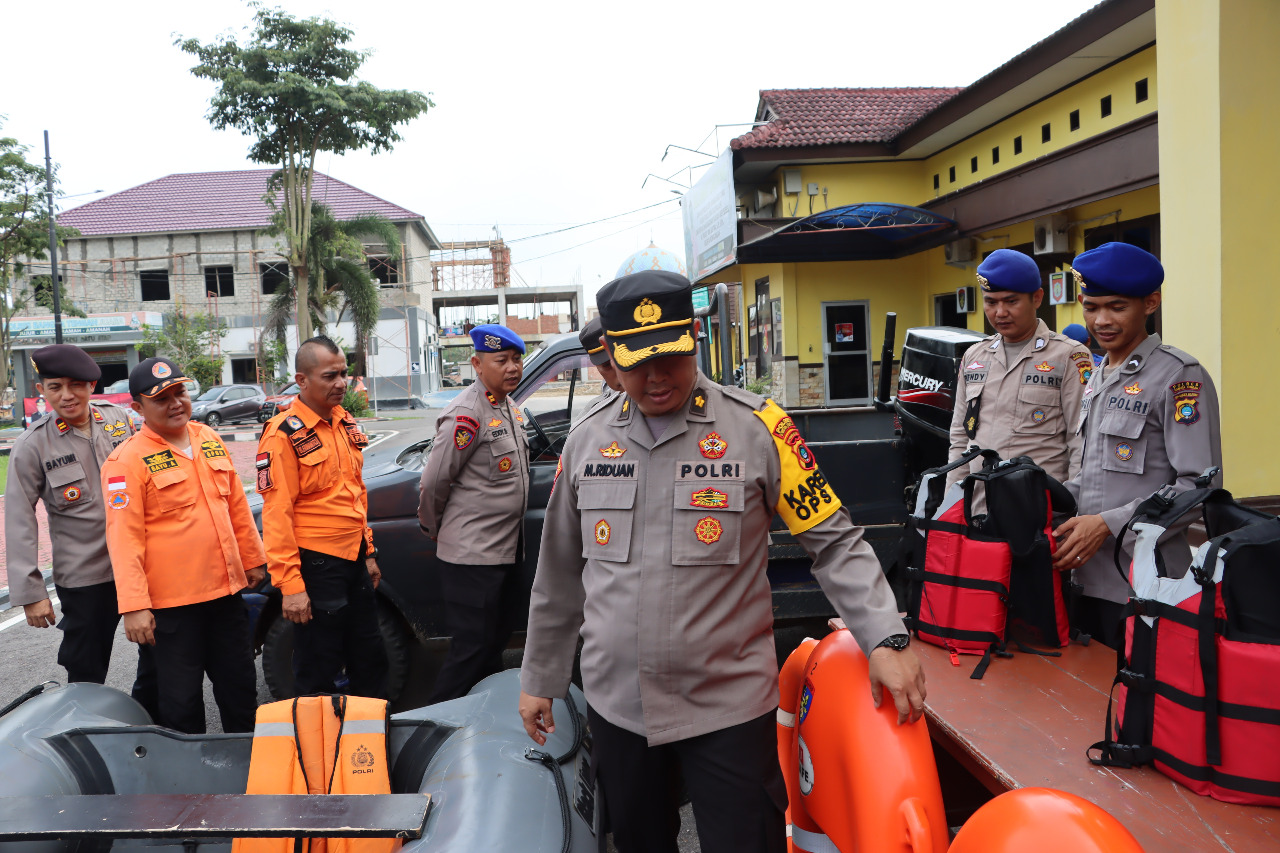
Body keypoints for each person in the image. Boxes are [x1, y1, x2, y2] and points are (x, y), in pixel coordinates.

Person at [518, 270, 925, 853]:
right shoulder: (584, 443)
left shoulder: (761, 430)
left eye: (671, 357)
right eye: (636, 362)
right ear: (608, 355)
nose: (656, 377)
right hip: (618, 707)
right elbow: (558, 574)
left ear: (693, 340)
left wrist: (886, 637)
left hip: (728, 709)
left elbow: (834, 542)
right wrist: (540, 678)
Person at [1052, 243, 1223, 649]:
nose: (1101, 320)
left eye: (1117, 307)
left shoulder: (1179, 376)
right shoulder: (1099, 373)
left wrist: (1108, 524)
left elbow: (1199, 486)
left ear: (1151, 303)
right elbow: (1094, 476)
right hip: (1084, 579)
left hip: (1144, 584)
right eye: (1091, 308)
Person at [102, 357, 266, 734]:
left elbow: (236, 505)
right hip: (173, 612)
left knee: (240, 692)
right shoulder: (126, 462)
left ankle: (249, 776)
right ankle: (191, 790)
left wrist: (252, 558)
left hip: (225, 598)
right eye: (162, 399)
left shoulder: (206, 438)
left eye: (180, 392)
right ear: (138, 408)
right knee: (181, 705)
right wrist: (134, 606)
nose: (176, 403)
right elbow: (123, 540)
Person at [5, 344, 156, 712]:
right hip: (87, 576)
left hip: (141, 565)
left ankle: (151, 722)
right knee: (86, 672)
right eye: (55, 387)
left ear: (92, 385)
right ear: (41, 392)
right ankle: (85, 732)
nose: (66, 395)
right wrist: (31, 592)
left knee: (160, 654)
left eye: (75, 385)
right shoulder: (32, 444)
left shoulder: (119, 419)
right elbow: (19, 517)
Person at [257, 336, 387, 699]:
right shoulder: (283, 435)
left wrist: (369, 551)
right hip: (316, 566)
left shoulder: (344, 422)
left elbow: (355, 492)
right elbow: (277, 512)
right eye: (330, 376)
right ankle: (318, 751)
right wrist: (291, 586)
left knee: (370, 658)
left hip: (354, 559)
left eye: (344, 374)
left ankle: (366, 745)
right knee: (318, 668)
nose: (341, 383)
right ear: (302, 380)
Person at [418, 323, 530, 703]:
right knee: (471, 651)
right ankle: (436, 725)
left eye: (517, 359)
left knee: (492, 645)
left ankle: (480, 722)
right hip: (472, 557)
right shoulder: (467, 413)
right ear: (477, 364)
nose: (513, 367)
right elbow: (434, 482)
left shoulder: (507, 405)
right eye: (502, 360)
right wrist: (434, 528)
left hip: (502, 551)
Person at [947, 249, 1093, 489]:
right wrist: (949, 506)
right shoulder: (975, 356)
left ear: (1036, 298)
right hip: (977, 507)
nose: (1000, 312)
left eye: (1011, 301)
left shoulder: (1069, 356)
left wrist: (1072, 507)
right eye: (991, 302)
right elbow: (960, 439)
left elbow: (1081, 442)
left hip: (1039, 510)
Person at [579, 316, 623, 394]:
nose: (619, 371)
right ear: (598, 368)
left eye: (623, 359)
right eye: (607, 365)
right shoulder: (601, 404)